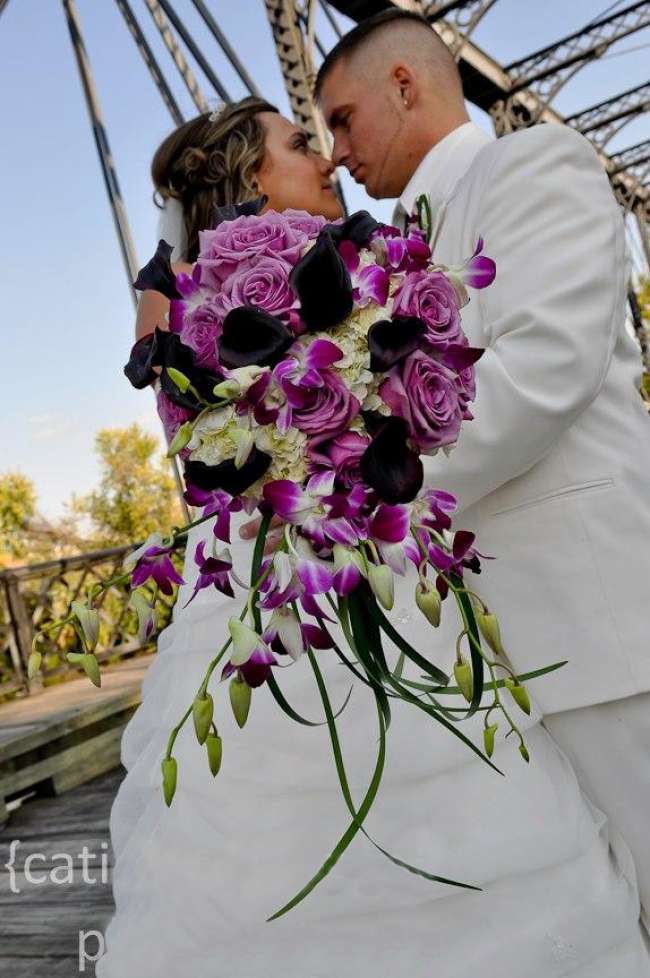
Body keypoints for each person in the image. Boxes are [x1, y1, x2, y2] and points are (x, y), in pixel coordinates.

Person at [96, 95, 649, 977]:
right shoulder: (213, 300)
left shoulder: (363, 254)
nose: (327, 158)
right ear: (249, 174)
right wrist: (334, 461)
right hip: (311, 572)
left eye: (331, 132)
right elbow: (213, 457)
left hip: (379, 554)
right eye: (299, 142)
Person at [317, 3, 650, 942]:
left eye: (341, 119)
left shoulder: (531, 165)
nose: (335, 154)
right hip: (493, 658)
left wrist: (370, 498)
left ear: (404, 85)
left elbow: (546, 367)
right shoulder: (395, 251)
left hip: (594, 628)